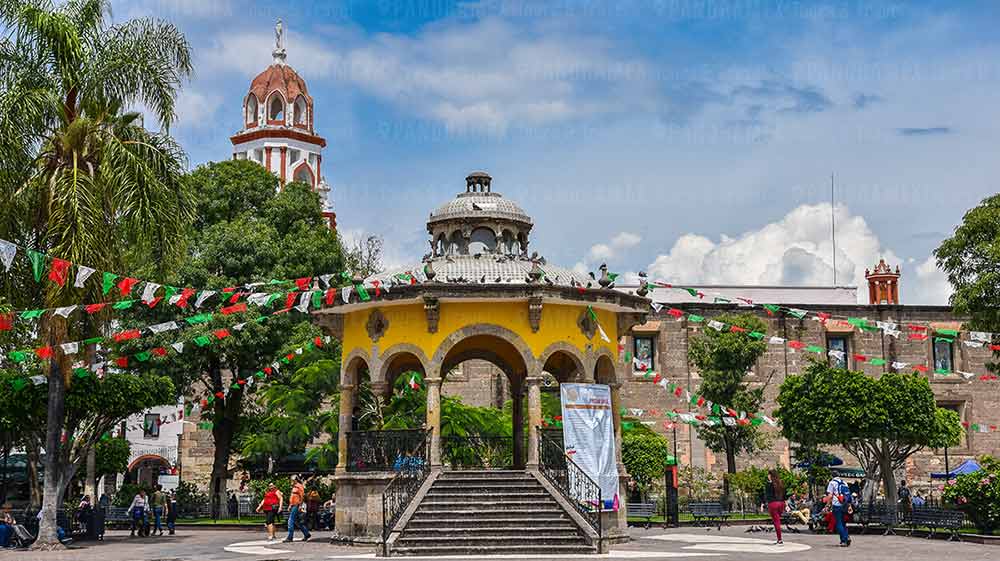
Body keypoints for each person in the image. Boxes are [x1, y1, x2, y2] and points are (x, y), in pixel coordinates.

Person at [825, 476, 851, 547]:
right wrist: (849, 506)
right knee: (843, 523)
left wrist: (827, 505)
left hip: (837, 504)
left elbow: (830, 496)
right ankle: (846, 536)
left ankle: (844, 540)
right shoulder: (844, 482)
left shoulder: (832, 483)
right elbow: (848, 495)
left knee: (838, 523)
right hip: (845, 504)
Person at [284, 475, 311, 543]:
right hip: (293, 505)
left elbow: (302, 496)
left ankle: (290, 537)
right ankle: (306, 534)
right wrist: (290, 505)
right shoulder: (294, 487)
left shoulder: (299, 486)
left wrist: (300, 505)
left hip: (297, 505)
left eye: (292, 480)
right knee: (298, 522)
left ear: (295, 480)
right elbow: (293, 497)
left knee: (290, 520)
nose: (291, 481)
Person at [763, 469, 786, 545]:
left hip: (773, 504)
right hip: (781, 503)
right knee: (778, 520)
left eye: (768, 475)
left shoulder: (768, 484)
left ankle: (779, 539)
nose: (767, 476)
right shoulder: (781, 483)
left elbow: (766, 495)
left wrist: (763, 503)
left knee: (776, 522)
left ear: (771, 475)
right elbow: (785, 494)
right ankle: (779, 538)